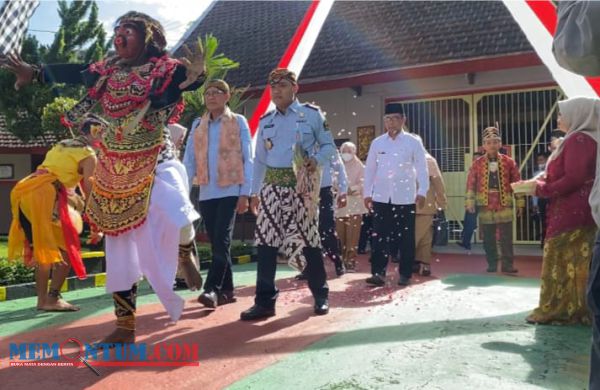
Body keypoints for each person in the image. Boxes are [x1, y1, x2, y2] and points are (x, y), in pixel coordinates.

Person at [1, 11, 206, 343]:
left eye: (128, 31)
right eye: (118, 30)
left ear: (148, 38)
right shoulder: (105, 73)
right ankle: (124, 325)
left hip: (155, 154)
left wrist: (198, 76)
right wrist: (36, 73)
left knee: (177, 210)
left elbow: (186, 80)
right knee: (119, 246)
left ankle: (184, 250)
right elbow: (68, 73)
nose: (120, 37)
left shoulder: (164, 69)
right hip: (113, 164)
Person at [241, 68, 333, 320]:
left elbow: (328, 146)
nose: (276, 91)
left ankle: (321, 295)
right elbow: (259, 160)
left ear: (295, 88)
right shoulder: (266, 120)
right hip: (271, 186)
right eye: (273, 87)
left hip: (301, 186)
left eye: (282, 86)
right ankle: (264, 302)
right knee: (266, 243)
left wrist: (315, 160)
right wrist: (254, 193)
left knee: (310, 240)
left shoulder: (312, 115)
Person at [518, 97, 598, 325]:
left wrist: (541, 189)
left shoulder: (579, 140)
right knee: (577, 260)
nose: (558, 119)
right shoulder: (581, 139)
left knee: (558, 256)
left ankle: (557, 309)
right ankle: (576, 309)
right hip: (576, 210)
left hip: (572, 211)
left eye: (562, 114)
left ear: (578, 115)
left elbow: (574, 178)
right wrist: (536, 184)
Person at [8, 117, 100, 311]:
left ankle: (42, 300)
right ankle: (53, 299)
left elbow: (75, 185)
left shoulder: (61, 144)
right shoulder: (88, 154)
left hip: (25, 190)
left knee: (44, 250)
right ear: (94, 132)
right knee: (67, 249)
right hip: (44, 195)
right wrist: (96, 218)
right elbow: (90, 186)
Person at [183, 79, 253, 308]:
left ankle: (212, 289)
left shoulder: (238, 121)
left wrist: (246, 193)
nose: (211, 96)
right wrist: (182, 191)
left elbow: (248, 158)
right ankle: (229, 290)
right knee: (217, 242)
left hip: (231, 189)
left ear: (227, 96)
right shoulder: (197, 125)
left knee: (222, 238)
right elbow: (189, 161)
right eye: (208, 93)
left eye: (216, 92)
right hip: (206, 191)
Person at [363, 103, 429, 287]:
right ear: (384, 121)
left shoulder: (413, 142)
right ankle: (378, 273)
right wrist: (367, 193)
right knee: (379, 237)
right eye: (388, 119)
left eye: (395, 118)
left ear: (403, 120)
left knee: (406, 238)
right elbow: (369, 170)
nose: (391, 122)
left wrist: (422, 191)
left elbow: (422, 169)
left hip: (405, 197)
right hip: (381, 197)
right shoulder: (377, 143)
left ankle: (405, 274)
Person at [465, 126, 524, 273]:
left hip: (504, 203)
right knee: (488, 237)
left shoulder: (509, 162)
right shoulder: (477, 163)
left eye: (495, 142)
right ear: (483, 145)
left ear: (500, 144)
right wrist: (470, 201)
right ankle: (492, 263)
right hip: (485, 203)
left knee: (506, 237)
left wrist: (520, 202)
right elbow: (470, 183)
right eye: (488, 142)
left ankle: (507, 265)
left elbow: (517, 183)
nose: (492, 145)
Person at [414, 149, 447, 276]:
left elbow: (438, 183)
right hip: (409, 204)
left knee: (416, 236)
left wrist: (441, 201)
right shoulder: (406, 158)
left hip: (423, 204)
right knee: (425, 236)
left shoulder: (428, 161)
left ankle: (413, 261)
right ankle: (423, 263)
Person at [335, 142, 367, 272]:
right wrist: (340, 189)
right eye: (344, 150)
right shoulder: (337, 166)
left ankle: (351, 260)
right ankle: (342, 260)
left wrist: (352, 189)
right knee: (340, 234)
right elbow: (332, 181)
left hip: (355, 204)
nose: (346, 153)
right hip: (340, 204)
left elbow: (363, 182)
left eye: (349, 150)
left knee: (352, 234)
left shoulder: (360, 166)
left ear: (354, 152)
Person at [531, 153, 548, 247]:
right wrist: (534, 203)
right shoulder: (536, 174)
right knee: (543, 221)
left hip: (551, 199)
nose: (540, 162)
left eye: (541, 160)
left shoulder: (551, 171)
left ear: (546, 160)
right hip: (541, 200)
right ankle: (543, 242)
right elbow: (534, 190)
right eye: (538, 160)